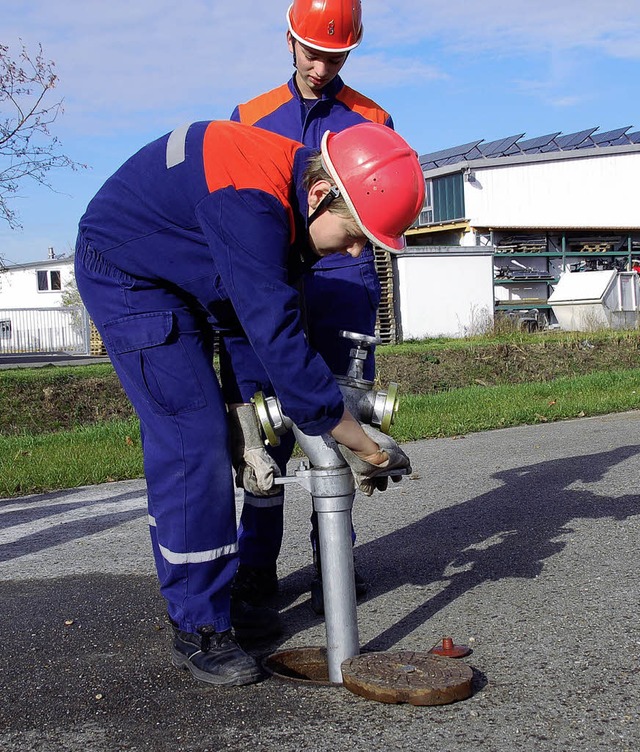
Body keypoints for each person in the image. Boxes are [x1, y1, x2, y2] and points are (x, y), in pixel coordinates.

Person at [74, 119, 425, 686]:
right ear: (320, 194)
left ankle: (236, 591)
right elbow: (279, 339)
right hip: (128, 274)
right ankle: (198, 624)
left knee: (249, 417)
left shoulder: (284, 188)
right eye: (355, 232)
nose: (356, 250)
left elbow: (259, 327)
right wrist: (361, 443)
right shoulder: (252, 205)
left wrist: (252, 409)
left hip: (191, 264)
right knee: (195, 435)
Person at [226, 0, 396, 612]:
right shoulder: (250, 117)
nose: (322, 67)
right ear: (289, 41)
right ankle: (255, 568)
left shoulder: (371, 118)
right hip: (269, 279)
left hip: (342, 281)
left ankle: (335, 557)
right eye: (311, 53)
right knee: (264, 429)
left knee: (341, 412)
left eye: (336, 56)